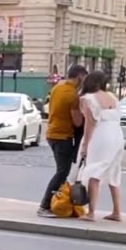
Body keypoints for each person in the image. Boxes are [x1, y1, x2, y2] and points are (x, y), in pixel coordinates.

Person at [37, 64, 86, 218]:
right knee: (62, 172)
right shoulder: (73, 95)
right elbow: (77, 122)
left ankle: (54, 202)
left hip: (52, 133)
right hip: (63, 136)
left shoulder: (58, 87)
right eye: (84, 78)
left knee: (61, 171)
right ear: (79, 77)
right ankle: (44, 206)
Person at [77, 70, 124, 221]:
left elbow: (90, 124)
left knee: (94, 171)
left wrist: (85, 144)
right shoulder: (112, 97)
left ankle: (91, 212)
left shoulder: (87, 98)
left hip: (101, 134)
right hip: (117, 134)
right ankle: (117, 211)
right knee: (113, 171)